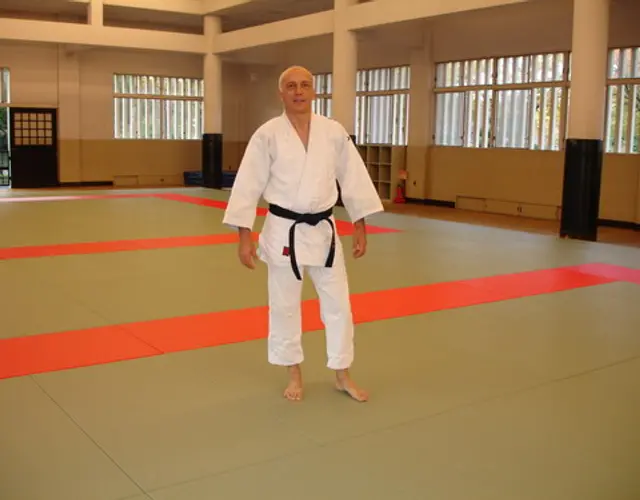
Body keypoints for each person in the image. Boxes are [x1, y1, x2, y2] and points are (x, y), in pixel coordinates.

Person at [222, 65, 384, 402]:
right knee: (284, 306)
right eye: (292, 86)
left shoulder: (333, 132)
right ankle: (293, 372)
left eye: (305, 85)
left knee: (339, 304)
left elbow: (353, 177)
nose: (299, 91)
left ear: (314, 91)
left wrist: (360, 224)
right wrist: (243, 236)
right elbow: (248, 184)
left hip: (324, 231)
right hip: (284, 230)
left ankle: (342, 373)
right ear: (281, 93)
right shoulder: (267, 135)